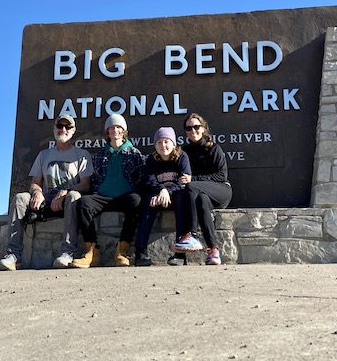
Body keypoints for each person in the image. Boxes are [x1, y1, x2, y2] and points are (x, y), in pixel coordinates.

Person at [0, 115, 93, 271]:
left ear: (73, 131)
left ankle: (67, 253)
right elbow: (35, 182)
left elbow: (86, 184)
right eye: (60, 126)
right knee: (21, 198)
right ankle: (13, 256)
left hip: (68, 201)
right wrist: (37, 192)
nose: (63, 130)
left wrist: (66, 191)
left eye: (68, 127)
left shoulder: (82, 155)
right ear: (54, 129)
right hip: (46, 200)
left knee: (75, 197)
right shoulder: (44, 155)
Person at [71, 114, 144, 269]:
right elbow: (96, 178)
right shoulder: (100, 155)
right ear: (107, 132)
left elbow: (140, 178)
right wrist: (98, 192)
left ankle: (122, 250)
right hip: (103, 198)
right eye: (111, 127)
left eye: (118, 127)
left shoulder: (134, 153)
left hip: (125, 197)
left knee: (136, 200)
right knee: (83, 203)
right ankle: (92, 252)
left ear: (124, 131)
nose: (115, 130)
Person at [134, 127, 202, 266]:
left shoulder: (182, 157)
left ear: (173, 143)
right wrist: (161, 190)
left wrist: (167, 191)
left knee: (181, 198)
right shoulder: (151, 159)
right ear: (155, 145)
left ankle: (179, 254)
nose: (163, 146)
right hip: (158, 196)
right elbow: (149, 180)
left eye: (166, 141)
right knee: (147, 202)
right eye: (159, 142)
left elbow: (184, 181)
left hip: (176, 195)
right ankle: (140, 254)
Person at [172, 112, 232, 266]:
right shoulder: (184, 152)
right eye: (189, 128)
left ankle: (192, 235)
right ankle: (213, 251)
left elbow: (221, 176)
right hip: (201, 195)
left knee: (191, 187)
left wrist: (194, 180)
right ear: (185, 131)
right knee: (201, 200)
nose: (193, 131)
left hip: (221, 191)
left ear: (203, 128)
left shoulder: (213, 148)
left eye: (196, 127)